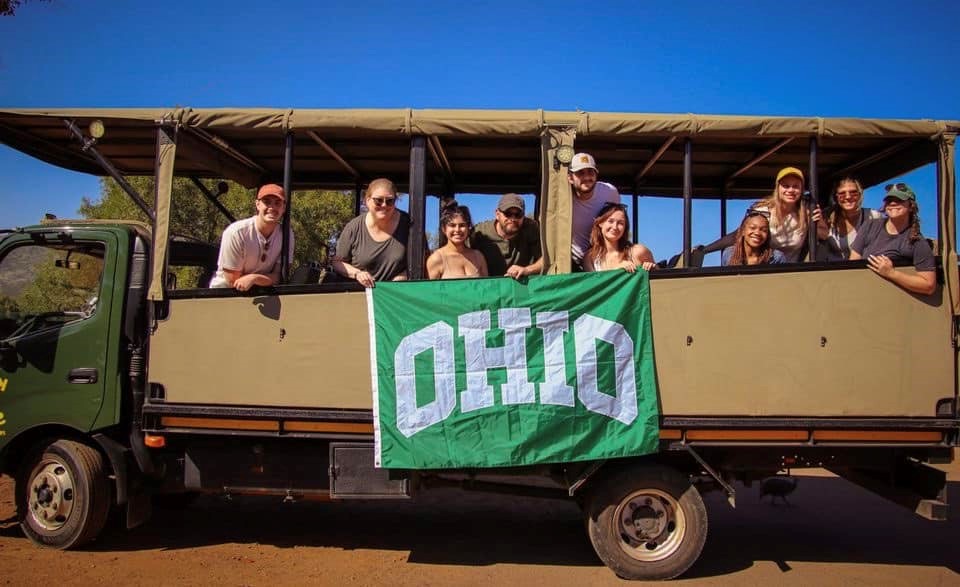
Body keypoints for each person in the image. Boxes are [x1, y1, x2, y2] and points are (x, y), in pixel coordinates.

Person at [849, 182, 936, 295]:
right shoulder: (869, 226)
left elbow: (929, 285)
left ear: (911, 206)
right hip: (862, 292)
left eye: (899, 200)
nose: (893, 203)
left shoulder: (916, 241)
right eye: (889, 200)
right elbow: (852, 263)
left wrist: (891, 273)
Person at [209, 183, 293, 291]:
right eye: (267, 202)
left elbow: (280, 276)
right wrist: (264, 280)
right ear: (257, 204)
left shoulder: (287, 234)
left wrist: (255, 278)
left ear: (284, 208)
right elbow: (233, 281)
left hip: (262, 293)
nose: (272, 207)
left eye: (277, 203)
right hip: (224, 295)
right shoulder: (236, 232)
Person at [332, 178, 410, 288]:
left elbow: (424, 260)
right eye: (378, 200)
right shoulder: (354, 227)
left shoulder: (408, 224)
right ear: (367, 201)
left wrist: (405, 275)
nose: (384, 205)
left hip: (396, 295)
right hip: (359, 294)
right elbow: (337, 262)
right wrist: (357, 274)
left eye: (389, 201)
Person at [751, 167, 821, 262]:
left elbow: (824, 236)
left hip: (794, 270)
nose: (791, 190)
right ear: (778, 188)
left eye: (795, 186)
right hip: (766, 266)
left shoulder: (806, 213)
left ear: (802, 190)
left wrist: (818, 221)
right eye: (786, 186)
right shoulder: (763, 212)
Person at [470, 193, 542, 279]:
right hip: (488, 286)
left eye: (518, 215)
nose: (513, 219)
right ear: (497, 214)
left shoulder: (531, 228)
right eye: (508, 213)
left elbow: (547, 258)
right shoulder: (479, 232)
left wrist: (526, 270)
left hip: (519, 284)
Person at [569, 152, 621, 267]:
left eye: (590, 172)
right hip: (572, 262)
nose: (587, 177)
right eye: (580, 173)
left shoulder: (610, 192)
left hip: (602, 259)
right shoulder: (563, 198)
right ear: (570, 178)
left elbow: (618, 222)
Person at [815, 177, 883, 261]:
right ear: (836, 197)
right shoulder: (826, 218)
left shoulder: (873, 216)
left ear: (860, 194)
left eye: (853, 192)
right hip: (833, 270)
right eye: (842, 193)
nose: (848, 197)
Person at [583, 202, 655, 273]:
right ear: (600, 223)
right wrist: (617, 271)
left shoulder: (638, 251)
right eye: (610, 221)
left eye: (620, 223)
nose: (615, 227)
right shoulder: (590, 257)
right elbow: (594, 283)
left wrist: (650, 267)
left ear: (625, 228)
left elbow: (659, 278)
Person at [427, 204, 488, 279]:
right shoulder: (436, 259)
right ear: (444, 229)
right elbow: (432, 290)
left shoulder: (478, 256)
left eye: (462, 225)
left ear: (468, 228)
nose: (457, 230)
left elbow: (486, 288)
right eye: (452, 225)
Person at [722, 209, 787, 266]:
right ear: (743, 231)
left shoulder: (777, 257)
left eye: (764, 230)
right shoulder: (729, 253)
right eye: (752, 228)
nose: (757, 233)